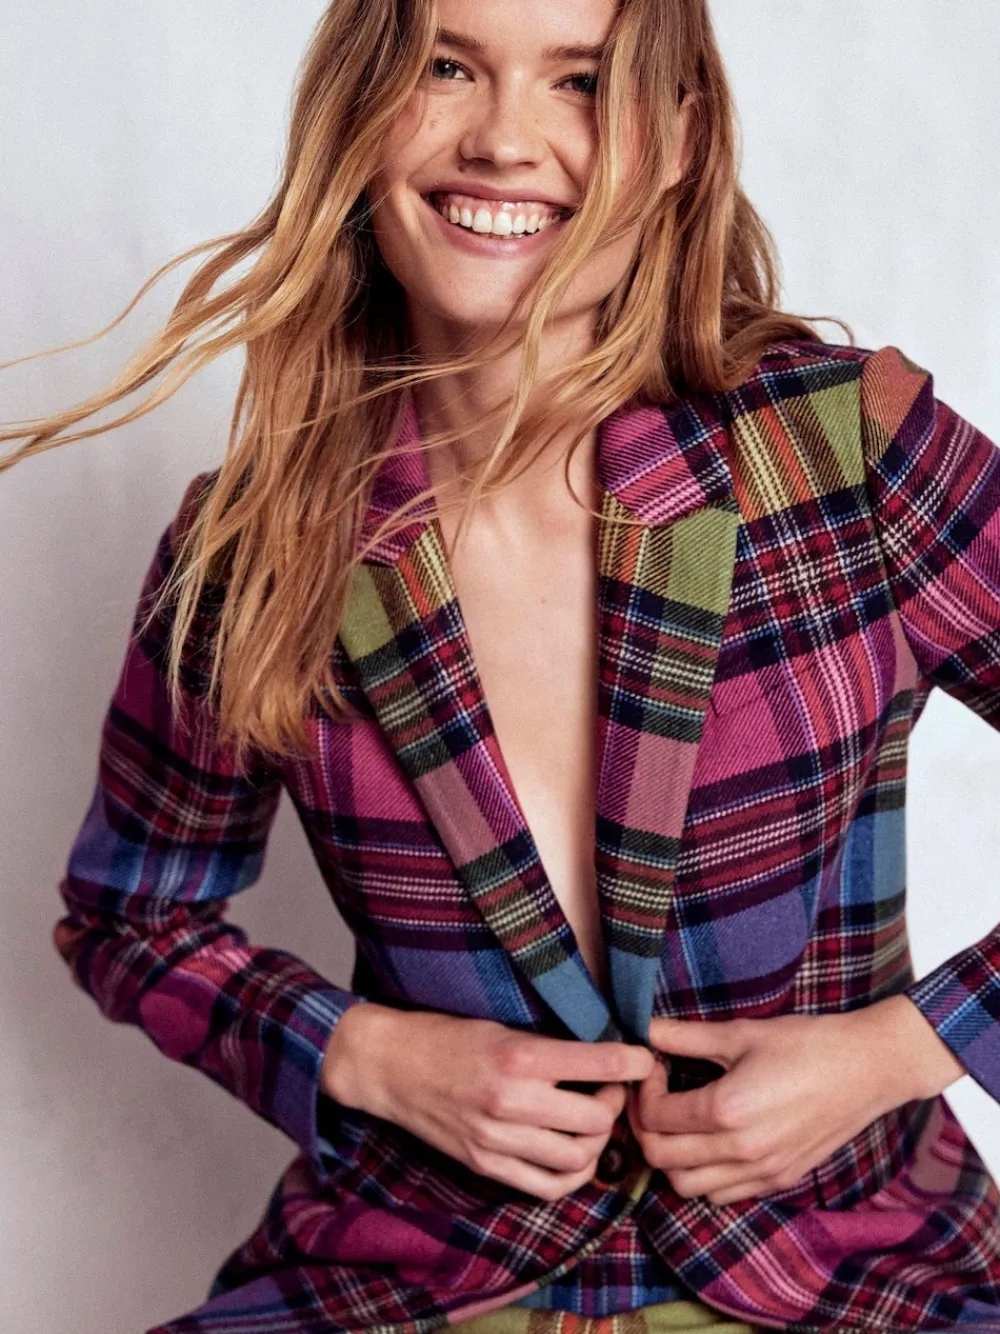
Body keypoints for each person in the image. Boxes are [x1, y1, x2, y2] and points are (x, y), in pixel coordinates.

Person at [4, 1, 1000, 1331]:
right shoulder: (257, 545)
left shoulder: (842, 458)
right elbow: (128, 913)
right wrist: (367, 1053)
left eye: (580, 81)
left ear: (679, 139)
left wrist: (902, 1049)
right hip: (418, 1271)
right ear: (357, 115)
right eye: (446, 66)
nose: (504, 139)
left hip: (844, 1268)